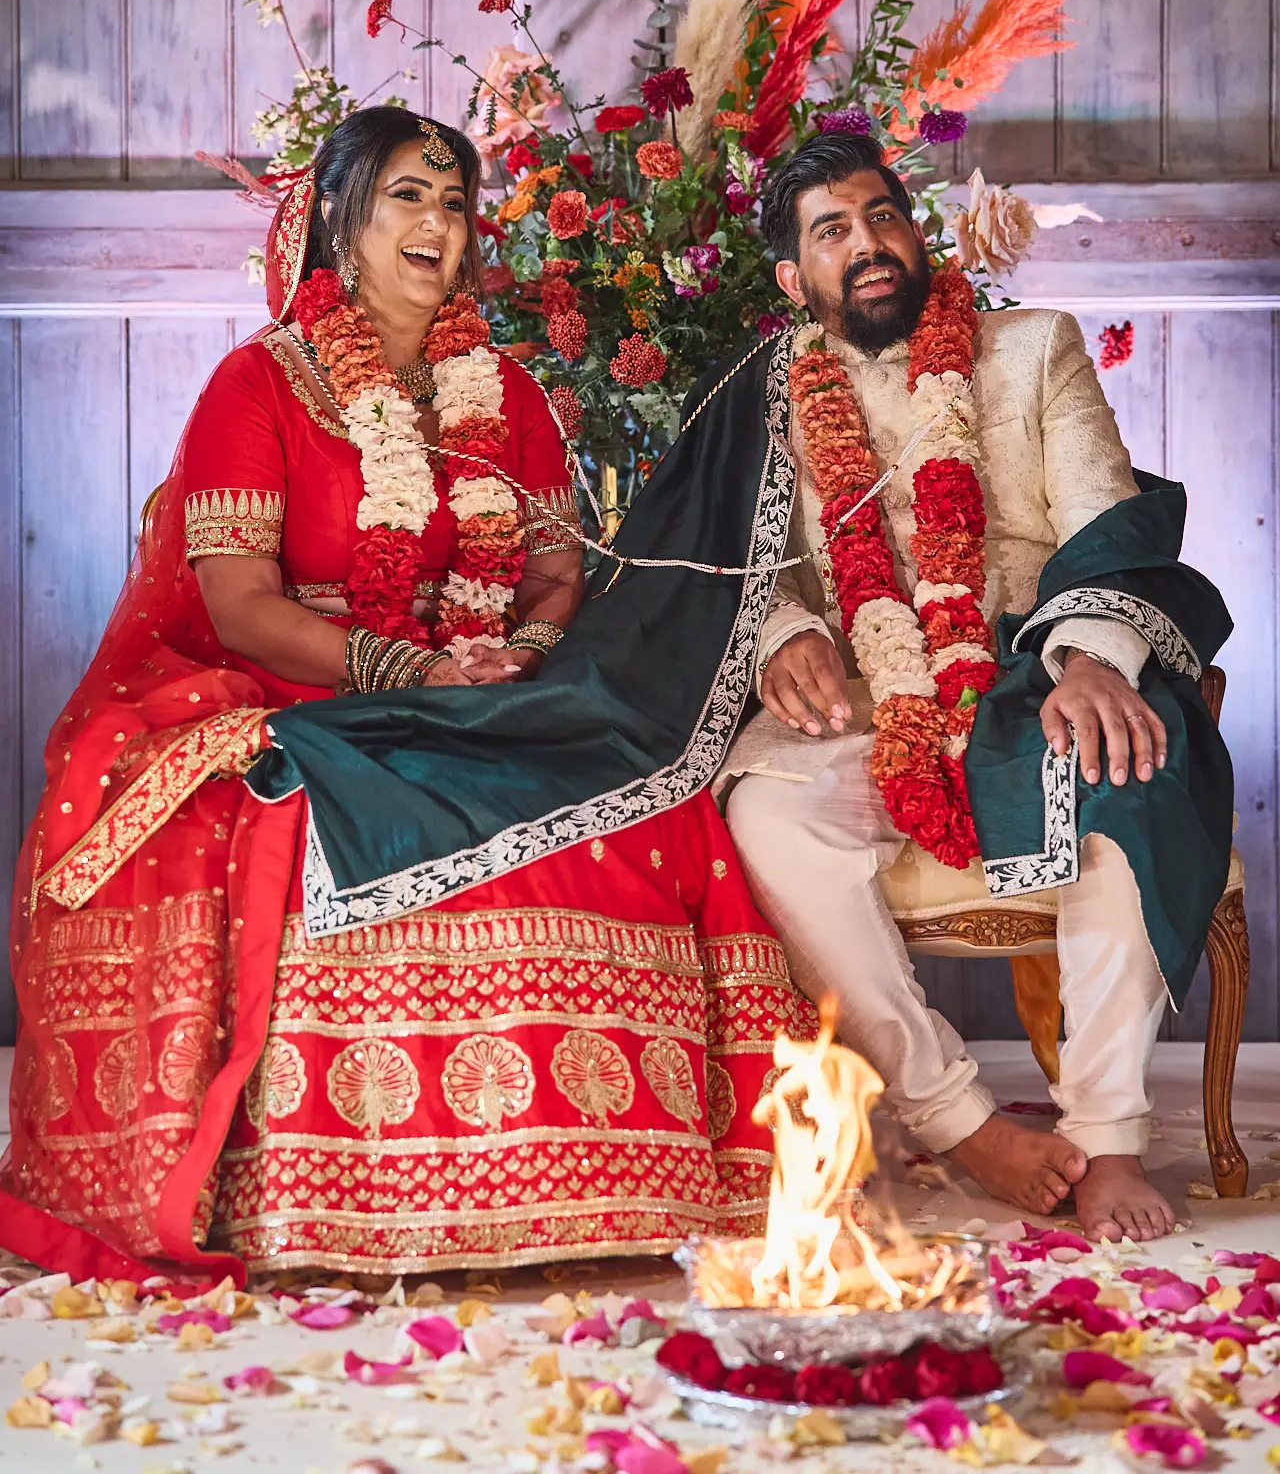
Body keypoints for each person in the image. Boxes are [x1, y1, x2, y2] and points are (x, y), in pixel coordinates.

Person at [2, 106, 808, 1283]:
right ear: (339, 219)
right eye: (408, 197)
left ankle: (624, 1179)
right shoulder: (258, 385)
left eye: (454, 201)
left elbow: (553, 572)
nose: (440, 223)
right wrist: (408, 671)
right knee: (290, 804)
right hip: (301, 684)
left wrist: (518, 653)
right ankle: (327, 1192)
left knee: (652, 799)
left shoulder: (506, 393)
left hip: (483, 686)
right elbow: (239, 604)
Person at [718, 131, 1234, 1244]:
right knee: (767, 813)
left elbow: (1109, 524)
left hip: (1033, 668)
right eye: (832, 231)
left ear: (915, 232)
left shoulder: (1031, 350)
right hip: (866, 694)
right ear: (793, 280)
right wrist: (785, 635)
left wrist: (1088, 657)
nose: (867, 244)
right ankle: (956, 1119)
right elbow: (737, 568)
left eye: (881, 216)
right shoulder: (760, 401)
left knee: (1128, 766)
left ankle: (1105, 1137)